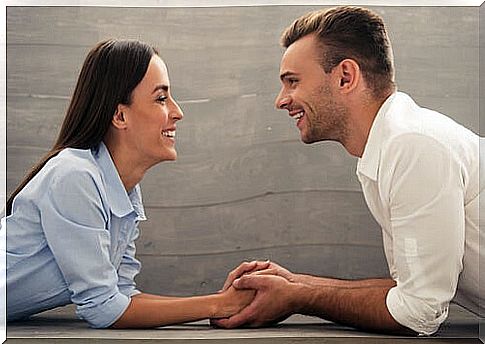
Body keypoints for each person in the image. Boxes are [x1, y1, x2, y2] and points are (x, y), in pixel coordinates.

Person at [213, 6, 484, 336]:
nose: (281, 100)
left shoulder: (412, 146)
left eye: (292, 82)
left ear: (345, 76)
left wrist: (299, 297)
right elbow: (409, 289)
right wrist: (293, 283)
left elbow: (419, 311)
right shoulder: (390, 148)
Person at [3, 39, 257, 329]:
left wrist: (221, 300)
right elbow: (103, 309)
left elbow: (121, 296)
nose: (177, 112)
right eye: (161, 98)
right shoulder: (74, 177)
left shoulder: (123, 188)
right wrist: (220, 304)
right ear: (120, 115)